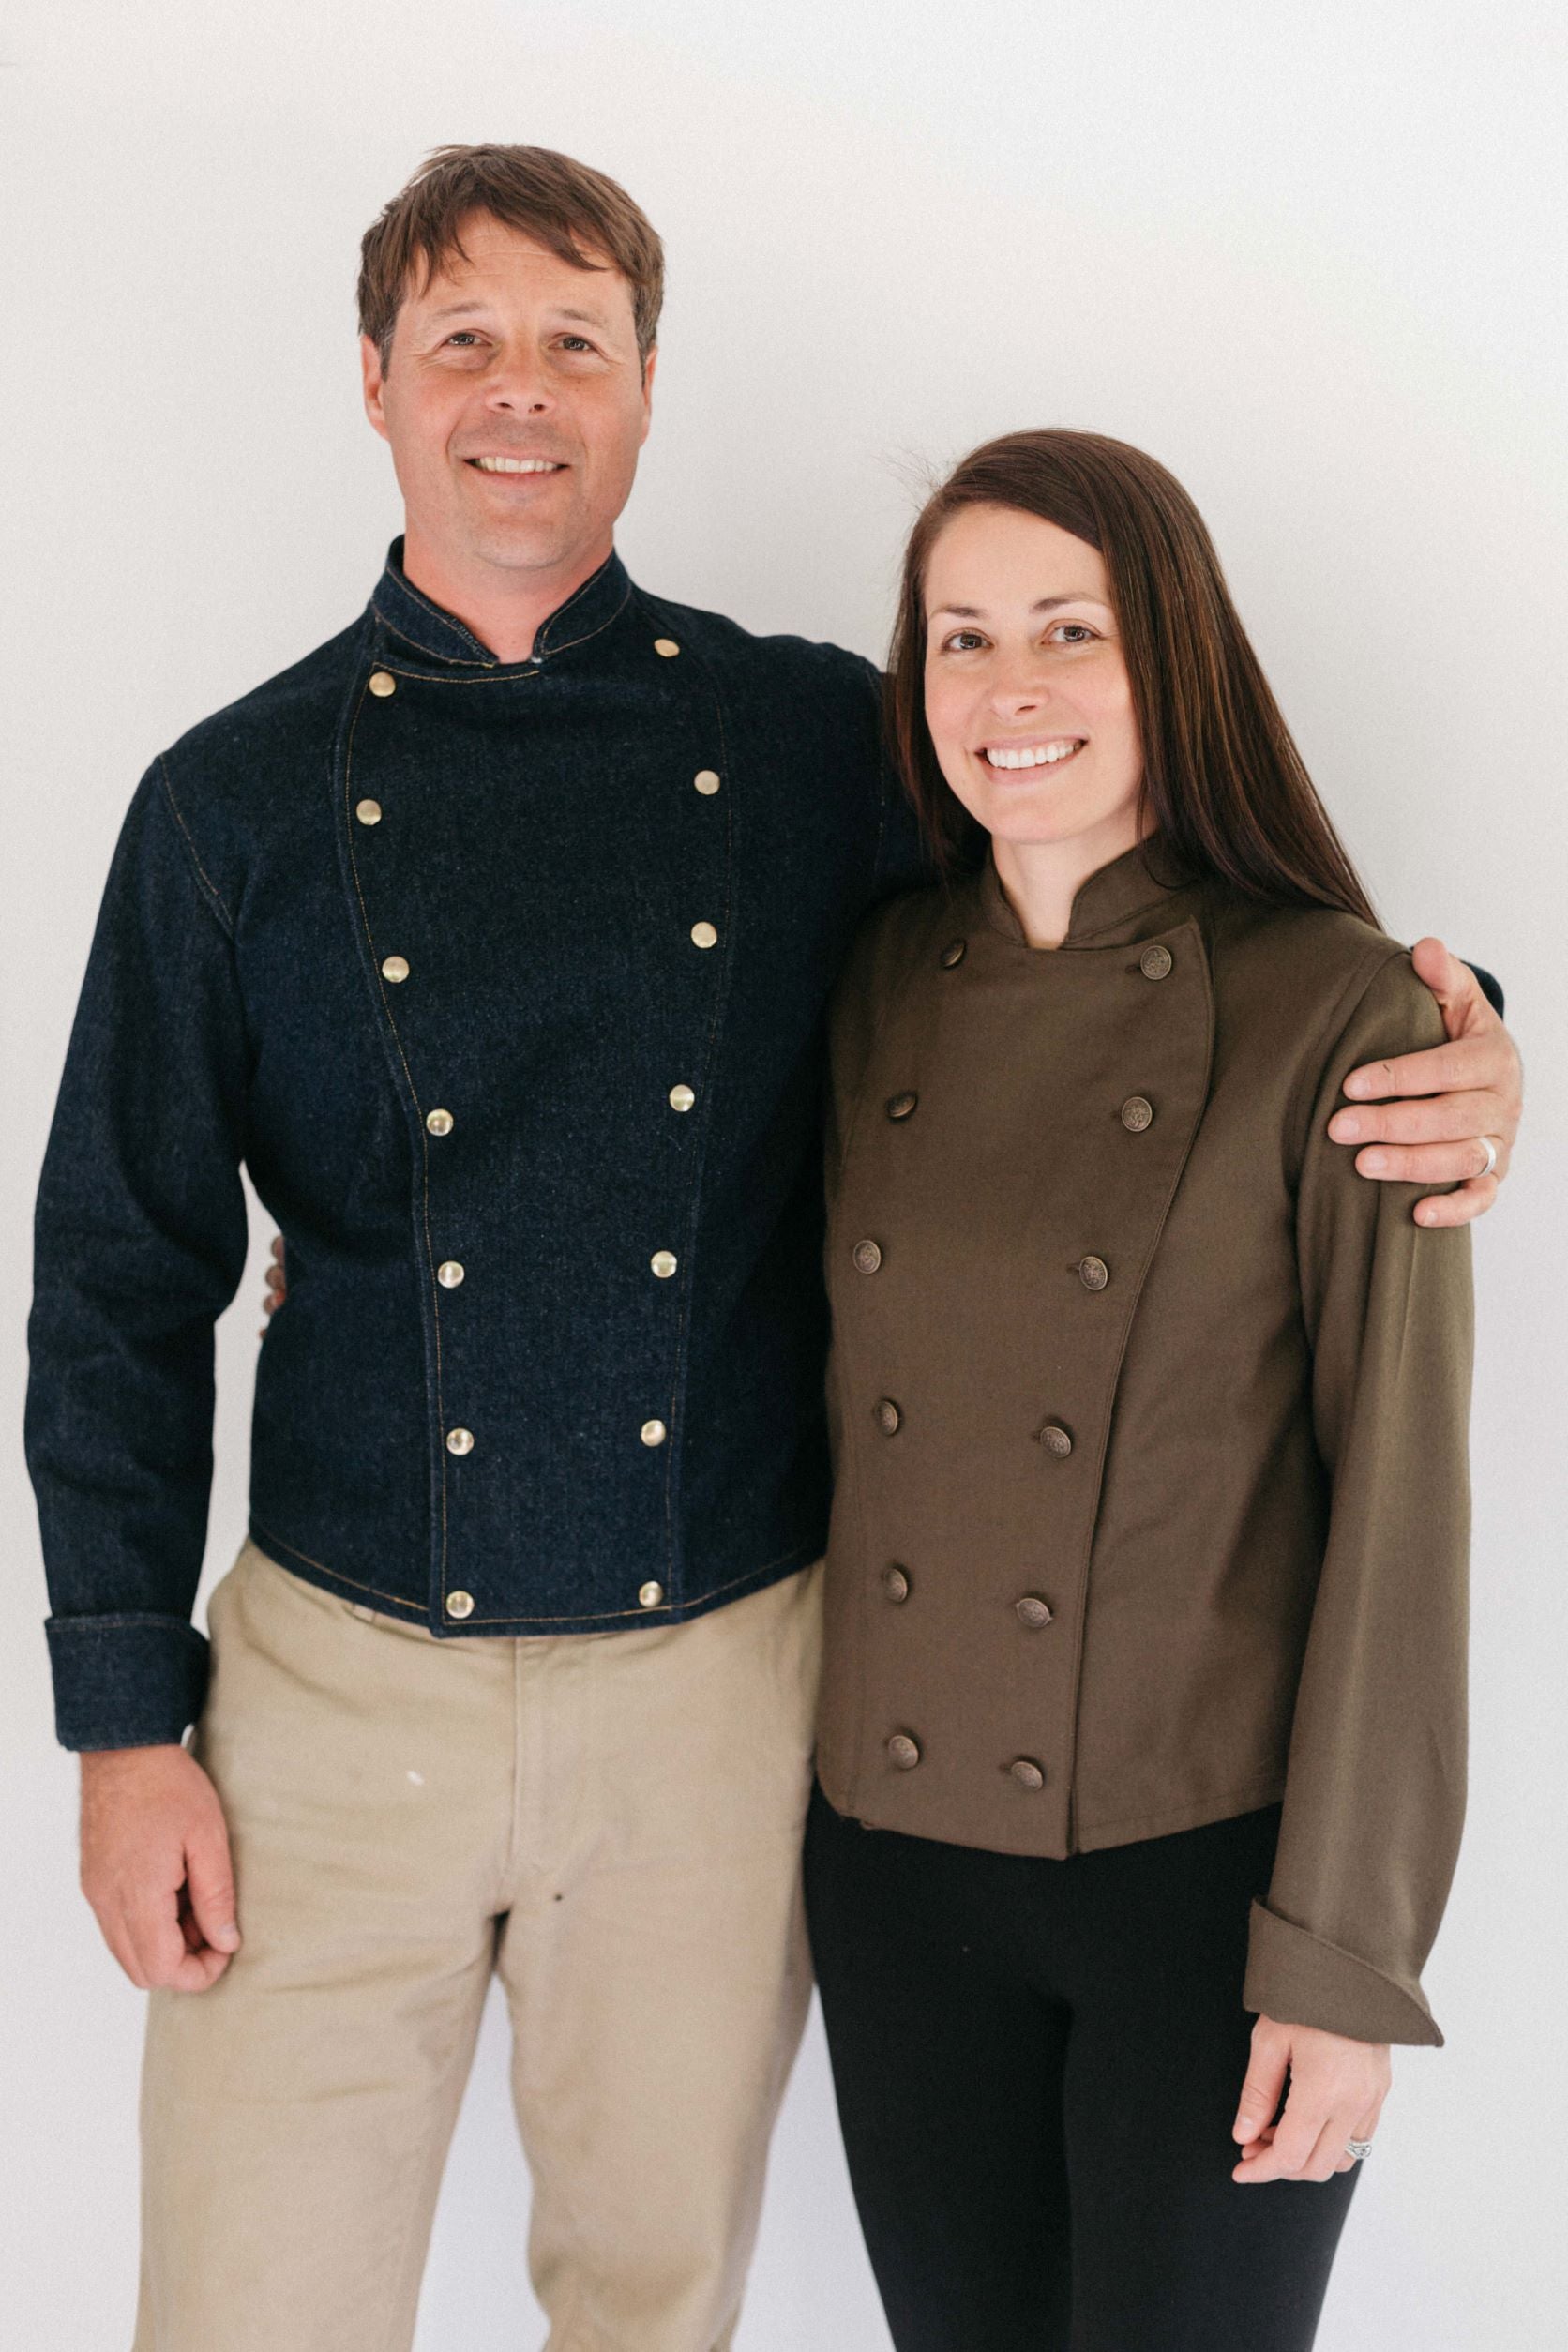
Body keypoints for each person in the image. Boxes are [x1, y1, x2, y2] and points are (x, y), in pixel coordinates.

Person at [23, 145, 1517, 2352]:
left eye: (572, 341)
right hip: (330, 1696)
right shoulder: (226, 804)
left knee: (657, 2309)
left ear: (644, 391)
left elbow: (1114, 906)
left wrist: (1458, 1030)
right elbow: (119, 1277)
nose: (515, 391)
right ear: (371, 384)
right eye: (459, 339)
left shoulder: (816, 736)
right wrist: (124, 1720)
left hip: (720, 1690)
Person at [803, 428, 1482, 2352]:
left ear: (1167, 658)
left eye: (1063, 631)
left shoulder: (1339, 1013)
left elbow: (1399, 1517)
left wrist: (1344, 1959)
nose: (1004, 689)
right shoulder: (863, 988)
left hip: (1205, 1891)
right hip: (889, 1872)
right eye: (954, 638)